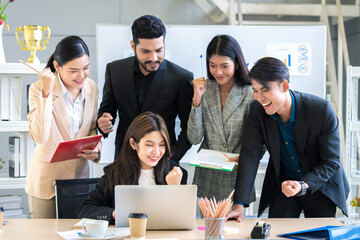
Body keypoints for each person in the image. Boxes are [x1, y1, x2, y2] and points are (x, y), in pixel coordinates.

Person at [226, 57, 349, 221]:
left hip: (319, 185)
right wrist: (238, 205)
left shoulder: (321, 110)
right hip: (283, 186)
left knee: (319, 235)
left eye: (265, 90)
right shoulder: (257, 110)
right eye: (255, 90)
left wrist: (303, 185)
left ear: (284, 86)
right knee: (276, 233)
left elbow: (331, 162)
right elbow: (250, 155)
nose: (259, 97)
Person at [97, 15, 193, 162]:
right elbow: (106, 111)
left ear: (164, 43)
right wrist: (103, 122)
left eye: (159, 50)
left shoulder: (181, 78)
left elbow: (189, 128)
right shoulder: (114, 70)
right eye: (146, 51)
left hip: (162, 164)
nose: (154, 58)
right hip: (124, 162)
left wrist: (170, 158)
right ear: (132, 46)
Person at [25, 36, 101, 219]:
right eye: (74, 70)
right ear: (57, 67)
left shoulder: (92, 88)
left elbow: (90, 128)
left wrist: (97, 150)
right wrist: (46, 93)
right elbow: (40, 136)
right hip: (46, 184)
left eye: (86, 68)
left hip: (79, 183)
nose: (81, 76)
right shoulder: (38, 89)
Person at [77, 112, 187, 223]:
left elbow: (183, 220)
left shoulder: (175, 173)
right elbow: (85, 210)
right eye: (149, 145)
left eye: (162, 144)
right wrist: (115, 214)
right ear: (133, 143)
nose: (157, 152)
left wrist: (175, 189)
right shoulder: (115, 173)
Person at [187, 35, 254, 201]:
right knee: (207, 227)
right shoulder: (204, 89)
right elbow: (194, 138)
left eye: (225, 66)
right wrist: (196, 100)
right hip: (207, 176)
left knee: (236, 227)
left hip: (237, 175)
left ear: (237, 64)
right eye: (212, 66)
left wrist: (246, 160)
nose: (218, 72)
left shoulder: (251, 92)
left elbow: (260, 139)